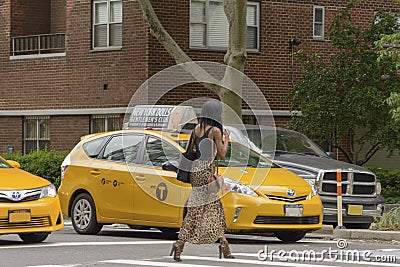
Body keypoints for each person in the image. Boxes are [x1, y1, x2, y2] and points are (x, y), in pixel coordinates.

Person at [170, 99, 234, 262]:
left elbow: (190, 150)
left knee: (209, 207)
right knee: (204, 210)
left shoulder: (196, 129)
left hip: (195, 170)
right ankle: (181, 244)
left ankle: (223, 246)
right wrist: (227, 139)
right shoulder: (215, 131)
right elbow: (222, 154)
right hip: (206, 170)